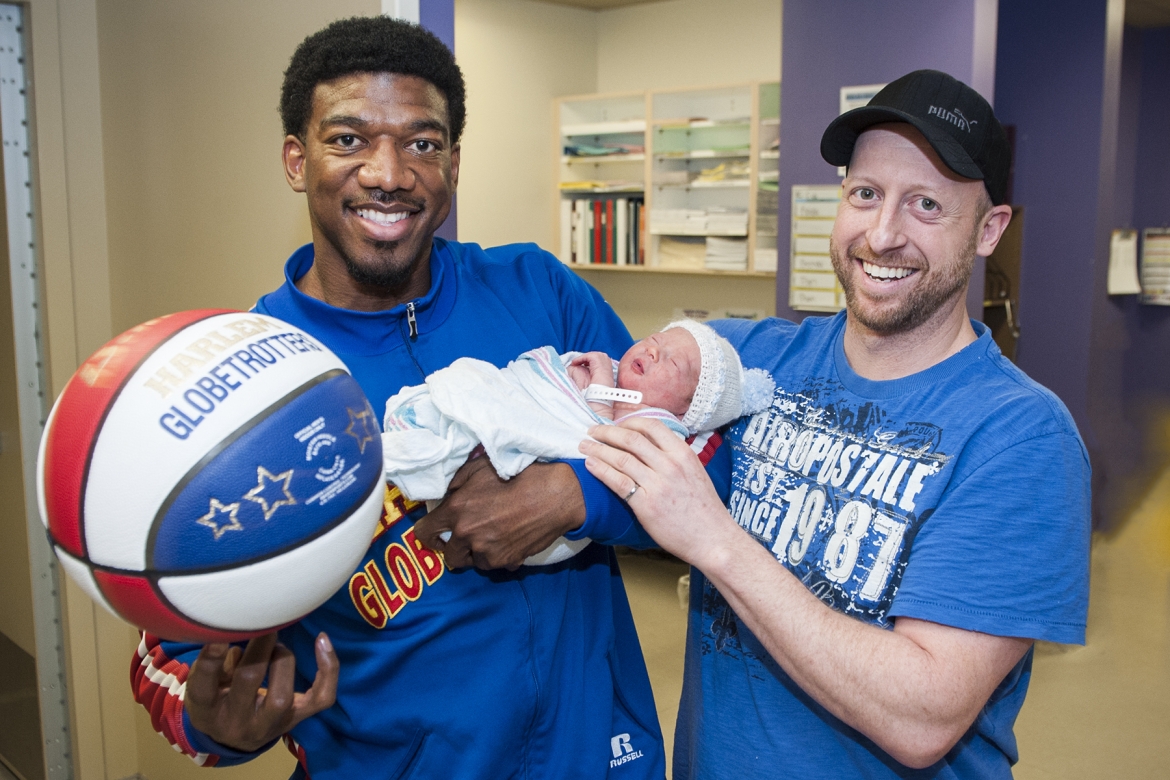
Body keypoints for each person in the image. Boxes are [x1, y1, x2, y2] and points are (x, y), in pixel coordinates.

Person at [130, 17, 668, 779]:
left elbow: (693, 457)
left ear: (452, 162)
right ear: (296, 158)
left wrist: (573, 498)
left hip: (599, 755)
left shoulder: (539, 292)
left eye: (422, 142)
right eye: (348, 139)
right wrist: (213, 721)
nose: (389, 173)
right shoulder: (250, 380)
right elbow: (167, 650)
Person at [578, 69, 1092, 778]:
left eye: (927, 205)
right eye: (865, 194)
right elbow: (597, 401)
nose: (883, 235)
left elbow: (923, 715)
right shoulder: (748, 362)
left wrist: (716, 543)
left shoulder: (1022, 438)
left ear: (988, 230)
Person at [380, 320, 775, 564]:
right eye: (656, 338)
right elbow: (541, 378)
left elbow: (610, 443)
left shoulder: (659, 424)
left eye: (673, 363)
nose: (655, 350)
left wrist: (599, 397)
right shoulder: (617, 370)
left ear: (689, 412)